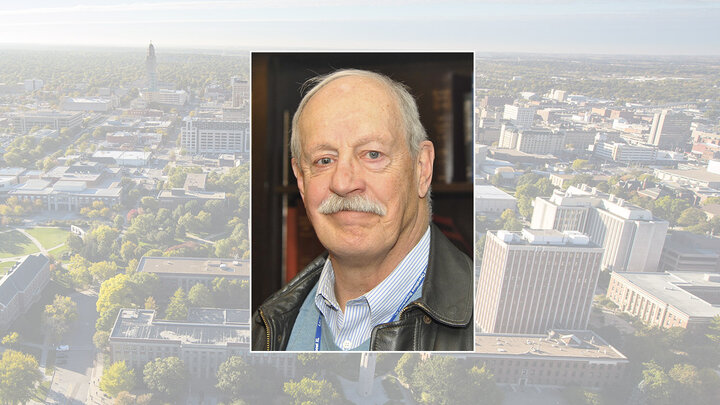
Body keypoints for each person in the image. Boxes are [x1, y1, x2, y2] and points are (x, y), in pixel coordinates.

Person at [252, 69, 473, 351]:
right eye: (324, 160)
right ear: (301, 180)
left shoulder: (488, 323)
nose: (344, 183)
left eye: (372, 154)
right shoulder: (267, 329)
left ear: (422, 168)